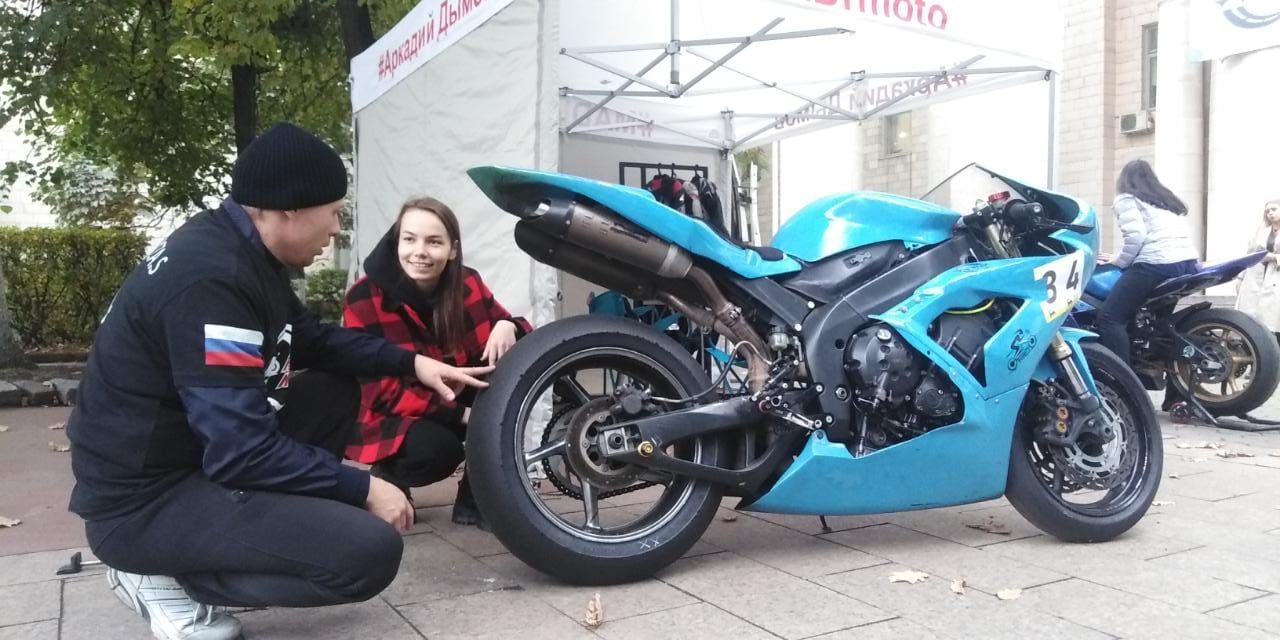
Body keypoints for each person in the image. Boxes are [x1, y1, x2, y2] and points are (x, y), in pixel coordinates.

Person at [66, 123, 493, 640]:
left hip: (190, 455)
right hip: (143, 502)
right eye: (333, 212)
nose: (336, 229)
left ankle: (234, 528)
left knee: (334, 391)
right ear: (289, 208)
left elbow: (309, 337)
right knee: (367, 553)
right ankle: (159, 576)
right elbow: (240, 450)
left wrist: (412, 363)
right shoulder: (215, 281)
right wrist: (362, 486)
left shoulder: (239, 250)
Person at [343, 197, 532, 530]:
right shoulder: (363, 298)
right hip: (392, 411)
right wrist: (461, 415)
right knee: (437, 452)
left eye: (434, 242)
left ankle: (477, 498)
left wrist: (509, 325)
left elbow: (516, 338)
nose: (420, 252)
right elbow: (379, 393)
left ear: (452, 249)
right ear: (396, 243)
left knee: (503, 375)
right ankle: (389, 474)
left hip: (451, 394)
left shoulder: (467, 283)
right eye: (410, 239)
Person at [1095, 160, 1199, 404]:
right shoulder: (1165, 200)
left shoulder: (1126, 199)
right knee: (1160, 328)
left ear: (1124, 179)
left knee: (1110, 319)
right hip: (1185, 263)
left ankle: (1124, 389)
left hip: (1157, 263)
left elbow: (1136, 236)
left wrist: (1119, 261)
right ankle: (1174, 397)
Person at [1235, 199, 1280, 343]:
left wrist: (1274, 257)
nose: (1270, 213)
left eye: (1274, 209)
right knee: (1253, 318)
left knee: (1274, 319)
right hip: (1256, 277)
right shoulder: (1261, 231)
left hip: (1276, 277)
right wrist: (1240, 277)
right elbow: (1249, 254)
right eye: (1267, 211)